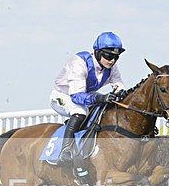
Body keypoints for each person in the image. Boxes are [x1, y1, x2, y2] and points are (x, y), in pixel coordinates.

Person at [50, 31, 128, 165]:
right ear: (97, 52)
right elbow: (76, 97)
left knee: (109, 106)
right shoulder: (80, 62)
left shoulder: (111, 67)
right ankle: (66, 150)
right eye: (109, 55)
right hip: (63, 96)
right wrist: (101, 98)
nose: (112, 60)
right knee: (80, 111)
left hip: (84, 95)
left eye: (116, 56)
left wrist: (120, 93)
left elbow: (119, 84)